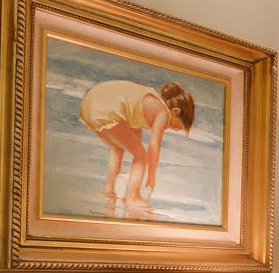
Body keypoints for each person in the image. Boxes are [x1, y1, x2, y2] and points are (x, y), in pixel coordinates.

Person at [77, 79, 195, 215]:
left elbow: (134, 142)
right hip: (105, 107)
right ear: (174, 111)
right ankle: (132, 197)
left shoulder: (140, 108)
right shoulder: (163, 112)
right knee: (141, 156)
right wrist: (151, 178)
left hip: (91, 103)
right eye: (178, 127)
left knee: (118, 148)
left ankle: (109, 191)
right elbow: (153, 146)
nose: (174, 130)